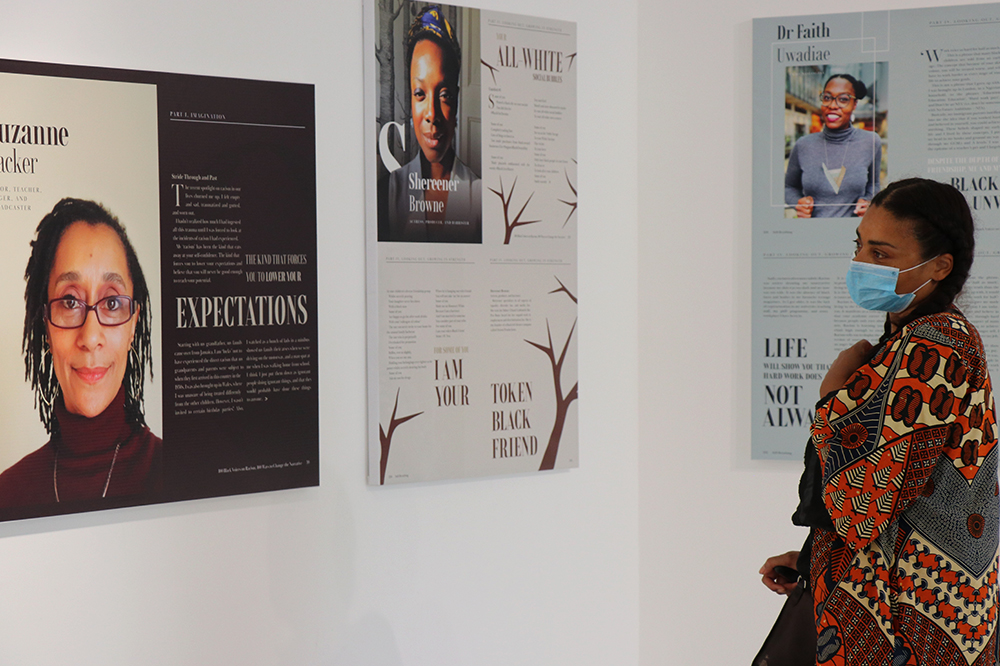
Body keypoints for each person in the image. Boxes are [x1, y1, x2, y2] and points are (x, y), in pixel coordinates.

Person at [761, 178, 998, 664]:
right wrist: (811, 557)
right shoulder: (912, 339)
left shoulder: (934, 345)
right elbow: (893, 487)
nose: (861, 263)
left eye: (881, 253)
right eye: (860, 246)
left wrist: (832, 397)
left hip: (911, 617)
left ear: (940, 266)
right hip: (899, 601)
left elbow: (865, 502)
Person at [0, 198, 161, 506]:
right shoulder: (7, 493)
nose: (90, 337)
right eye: (70, 302)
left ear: (133, 325)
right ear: (46, 325)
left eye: (112, 303)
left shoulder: (176, 472)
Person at [382, 4, 482, 243]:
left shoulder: (479, 196)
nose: (431, 114)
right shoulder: (388, 193)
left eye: (444, 95)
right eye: (420, 94)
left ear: (456, 101)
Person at [785, 74, 882, 218]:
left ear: (854, 104)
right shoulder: (803, 145)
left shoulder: (871, 141)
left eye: (843, 99)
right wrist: (798, 203)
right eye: (827, 97)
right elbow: (789, 187)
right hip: (813, 230)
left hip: (854, 230)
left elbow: (874, 185)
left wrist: (868, 201)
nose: (832, 105)